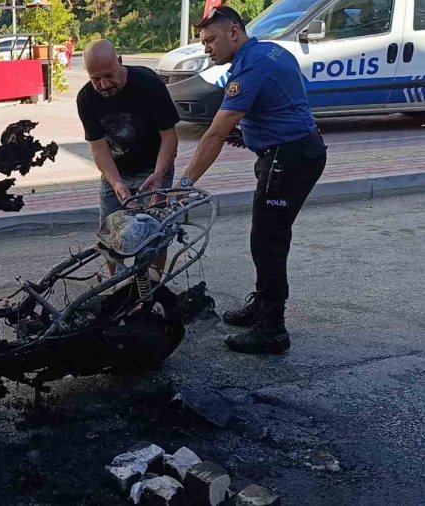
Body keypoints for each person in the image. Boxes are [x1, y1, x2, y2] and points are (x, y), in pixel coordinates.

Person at [174, 7, 327, 354]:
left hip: (288, 158)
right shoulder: (268, 51)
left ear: (234, 32)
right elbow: (282, 104)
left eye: (211, 40)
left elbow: (213, 135)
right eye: (203, 42)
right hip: (295, 151)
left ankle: (272, 328)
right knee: (267, 236)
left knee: (267, 241)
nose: (206, 48)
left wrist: (183, 186)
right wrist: (253, 134)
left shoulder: (253, 65)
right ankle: (262, 306)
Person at [76, 39, 180, 275]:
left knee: (154, 232)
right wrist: (116, 183)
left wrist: (159, 175)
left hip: (153, 168)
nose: (103, 85)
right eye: (96, 79)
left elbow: (170, 137)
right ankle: (118, 288)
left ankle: (152, 286)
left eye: (109, 75)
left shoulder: (148, 84)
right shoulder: (86, 99)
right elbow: (99, 148)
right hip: (116, 171)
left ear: (120, 61)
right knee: (111, 233)